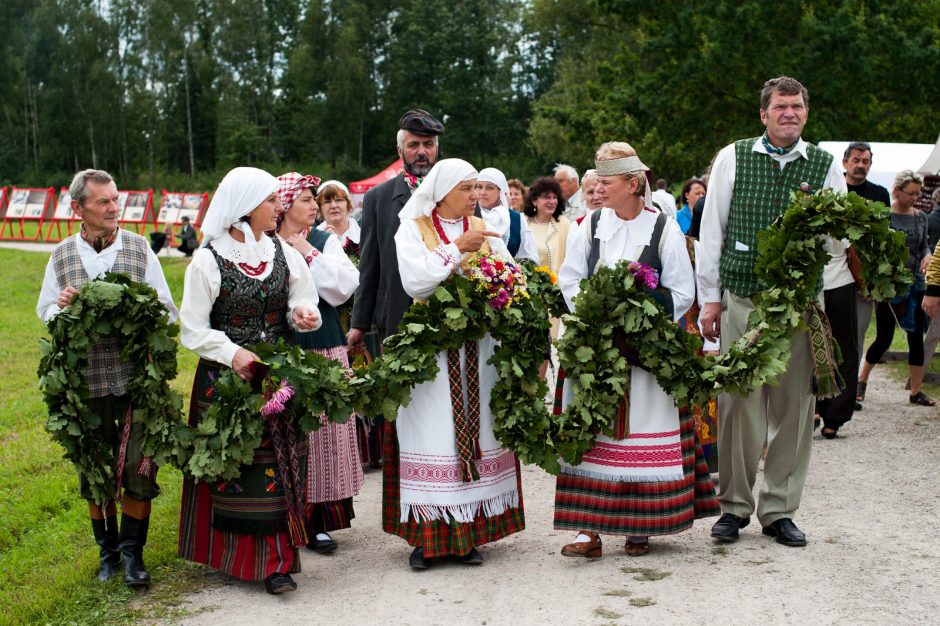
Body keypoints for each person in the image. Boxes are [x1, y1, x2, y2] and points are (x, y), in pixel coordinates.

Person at [698, 76, 847, 548]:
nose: (790, 113)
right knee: (738, 403)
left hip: (801, 303)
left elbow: (838, 233)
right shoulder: (734, 155)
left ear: (806, 113)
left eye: (797, 106)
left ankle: (780, 508)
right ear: (764, 114)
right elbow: (712, 229)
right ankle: (733, 507)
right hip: (743, 294)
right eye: (781, 106)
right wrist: (711, 298)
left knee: (796, 407)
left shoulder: (824, 164)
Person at [554, 142, 719, 559]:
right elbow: (570, 279)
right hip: (595, 347)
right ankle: (587, 529)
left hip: (645, 352)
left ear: (633, 183)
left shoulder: (664, 228)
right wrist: (596, 310)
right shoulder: (587, 225)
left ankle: (639, 526)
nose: (598, 188)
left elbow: (682, 290)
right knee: (591, 432)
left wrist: (639, 313)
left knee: (642, 431)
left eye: (606, 181)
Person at [177, 167, 321, 595]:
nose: (280, 207)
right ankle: (235, 556)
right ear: (245, 208)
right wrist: (233, 353)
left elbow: (303, 295)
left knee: (280, 464)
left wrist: (304, 314)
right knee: (238, 468)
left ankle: (278, 561)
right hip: (225, 383)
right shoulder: (208, 259)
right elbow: (192, 328)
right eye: (271, 200)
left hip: (278, 377)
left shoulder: (281, 251)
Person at [37, 168, 178, 589]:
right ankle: (109, 554)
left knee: (138, 465)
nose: (114, 208)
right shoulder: (62, 255)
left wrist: (137, 306)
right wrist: (62, 305)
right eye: (103, 202)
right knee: (95, 469)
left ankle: (134, 554)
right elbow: (45, 312)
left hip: (136, 381)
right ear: (78, 207)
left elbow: (168, 311)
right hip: (85, 384)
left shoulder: (139, 249)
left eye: (116, 199)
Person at [386, 158, 525, 569]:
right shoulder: (412, 228)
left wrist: (503, 282)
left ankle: (469, 535)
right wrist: (456, 250)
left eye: (478, 189)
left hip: (478, 348)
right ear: (443, 191)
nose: (475, 196)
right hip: (430, 351)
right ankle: (426, 538)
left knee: (477, 427)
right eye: (467, 189)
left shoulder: (483, 230)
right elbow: (415, 282)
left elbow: (510, 275)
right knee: (432, 432)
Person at [275, 172, 363, 555]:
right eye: (307, 200)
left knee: (325, 434)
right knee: (292, 435)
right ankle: (285, 519)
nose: (315, 206)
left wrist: (307, 251)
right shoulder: (263, 243)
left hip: (324, 343)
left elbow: (344, 287)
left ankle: (320, 522)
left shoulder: (324, 240)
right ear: (284, 206)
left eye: (315, 200)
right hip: (285, 345)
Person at [348, 109, 444, 353]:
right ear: (400, 151)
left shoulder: (457, 193)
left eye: (428, 144)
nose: (422, 151)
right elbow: (369, 264)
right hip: (395, 316)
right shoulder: (377, 198)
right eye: (414, 145)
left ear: (436, 149)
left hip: (447, 316)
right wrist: (359, 323)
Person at [316, 179, 384, 466]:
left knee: (368, 375)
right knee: (340, 379)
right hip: (331, 317)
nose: (334, 206)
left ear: (348, 204)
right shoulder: (315, 238)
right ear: (320, 209)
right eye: (327, 201)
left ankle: (376, 450)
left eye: (339, 200)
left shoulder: (362, 234)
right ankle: (351, 451)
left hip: (363, 317)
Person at [857, 170, 934, 407]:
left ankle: (916, 391)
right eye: (910, 193)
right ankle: (862, 381)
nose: (915, 198)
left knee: (915, 338)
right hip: (889, 286)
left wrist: (927, 257)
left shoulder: (921, 217)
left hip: (916, 284)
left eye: (917, 193)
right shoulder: (884, 216)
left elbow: (924, 246)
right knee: (884, 338)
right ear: (897, 192)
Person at [843, 141, 892, 383]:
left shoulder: (880, 194)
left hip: (864, 278)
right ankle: (823, 395)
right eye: (856, 160)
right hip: (833, 274)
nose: (861, 165)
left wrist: (872, 281)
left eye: (866, 161)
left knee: (857, 335)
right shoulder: (834, 188)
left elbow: (884, 240)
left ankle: (849, 392)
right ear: (845, 162)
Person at [524, 176, 571, 343]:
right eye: (546, 197)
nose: (552, 201)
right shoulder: (523, 222)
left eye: (554, 197)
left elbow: (569, 260)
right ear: (535, 201)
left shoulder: (564, 225)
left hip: (551, 296)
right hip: (524, 294)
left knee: (545, 344)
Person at [476, 167, 538, 260]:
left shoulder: (516, 219)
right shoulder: (468, 216)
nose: (482, 192)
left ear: (501, 192)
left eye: (489, 188)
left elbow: (529, 257)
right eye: (479, 187)